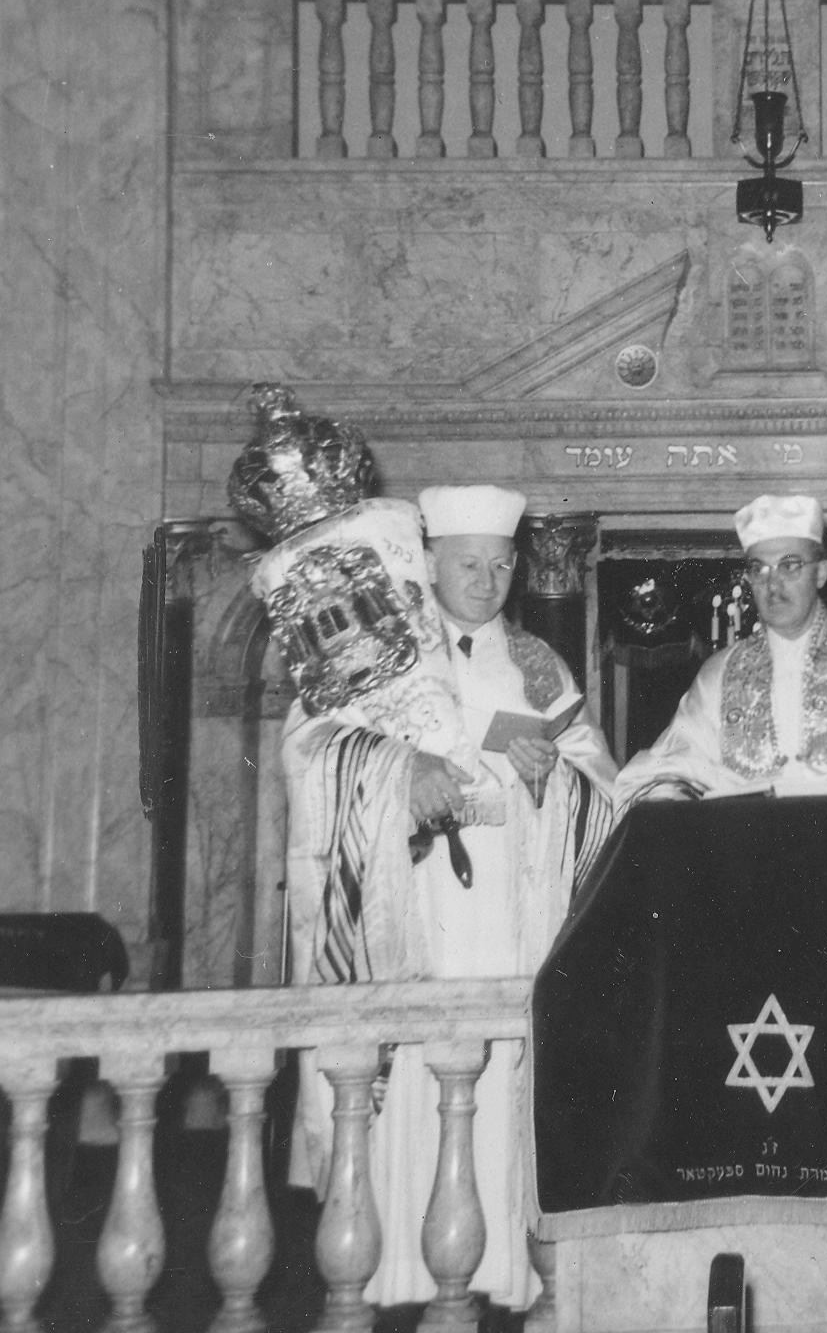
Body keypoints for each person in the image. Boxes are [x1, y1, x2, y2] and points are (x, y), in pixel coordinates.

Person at [282, 483, 616, 1313]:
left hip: (508, 918)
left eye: (502, 564)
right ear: (429, 563)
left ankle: (500, 1276)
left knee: (497, 1088)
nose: (488, 579)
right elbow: (307, 749)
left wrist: (557, 780)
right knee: (404, 1095)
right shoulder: (376, 649)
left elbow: (604, 787)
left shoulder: (539, 665)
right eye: (470, 563)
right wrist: (400, 771)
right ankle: (387, 1277)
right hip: (409, 918)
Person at [614, 493, 827, 872]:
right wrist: (669, 797)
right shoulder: (719, 672)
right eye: (759, 569)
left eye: (790, 565)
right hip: (742, 865)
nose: (773, 584)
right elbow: (679, 761)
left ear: (822, 572)